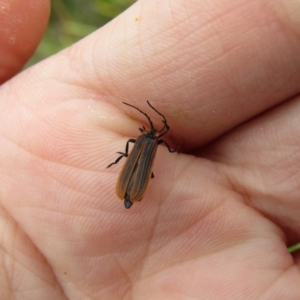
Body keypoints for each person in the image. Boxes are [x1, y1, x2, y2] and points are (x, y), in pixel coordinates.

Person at [1, 0, 299, 299]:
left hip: (136, 175)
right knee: (136, 162)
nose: (154, 131)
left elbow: (143, 141)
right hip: (136, 176)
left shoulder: (146, 140)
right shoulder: (152, 141)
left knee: (136, 161)